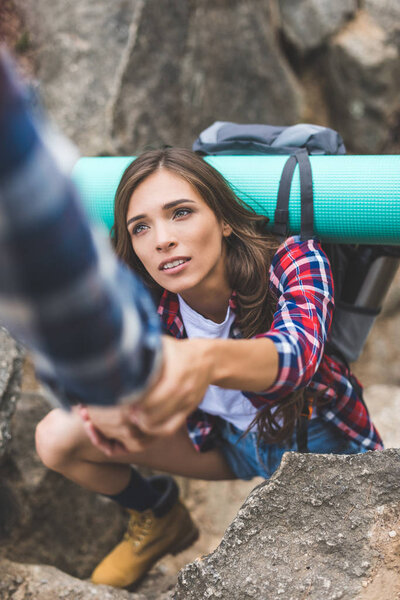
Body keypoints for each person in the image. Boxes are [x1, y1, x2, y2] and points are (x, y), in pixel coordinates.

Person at [35, 147, 383, 589]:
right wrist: (104, 404)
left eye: (180, 213)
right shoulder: (141, 296)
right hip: (227, 444)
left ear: (222, 219)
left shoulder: (293, 258)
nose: (162, 239)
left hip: (323, 442)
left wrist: (205, 360)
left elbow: (297, 357)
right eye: (141, 227)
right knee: (57, 437)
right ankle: (160, 518)